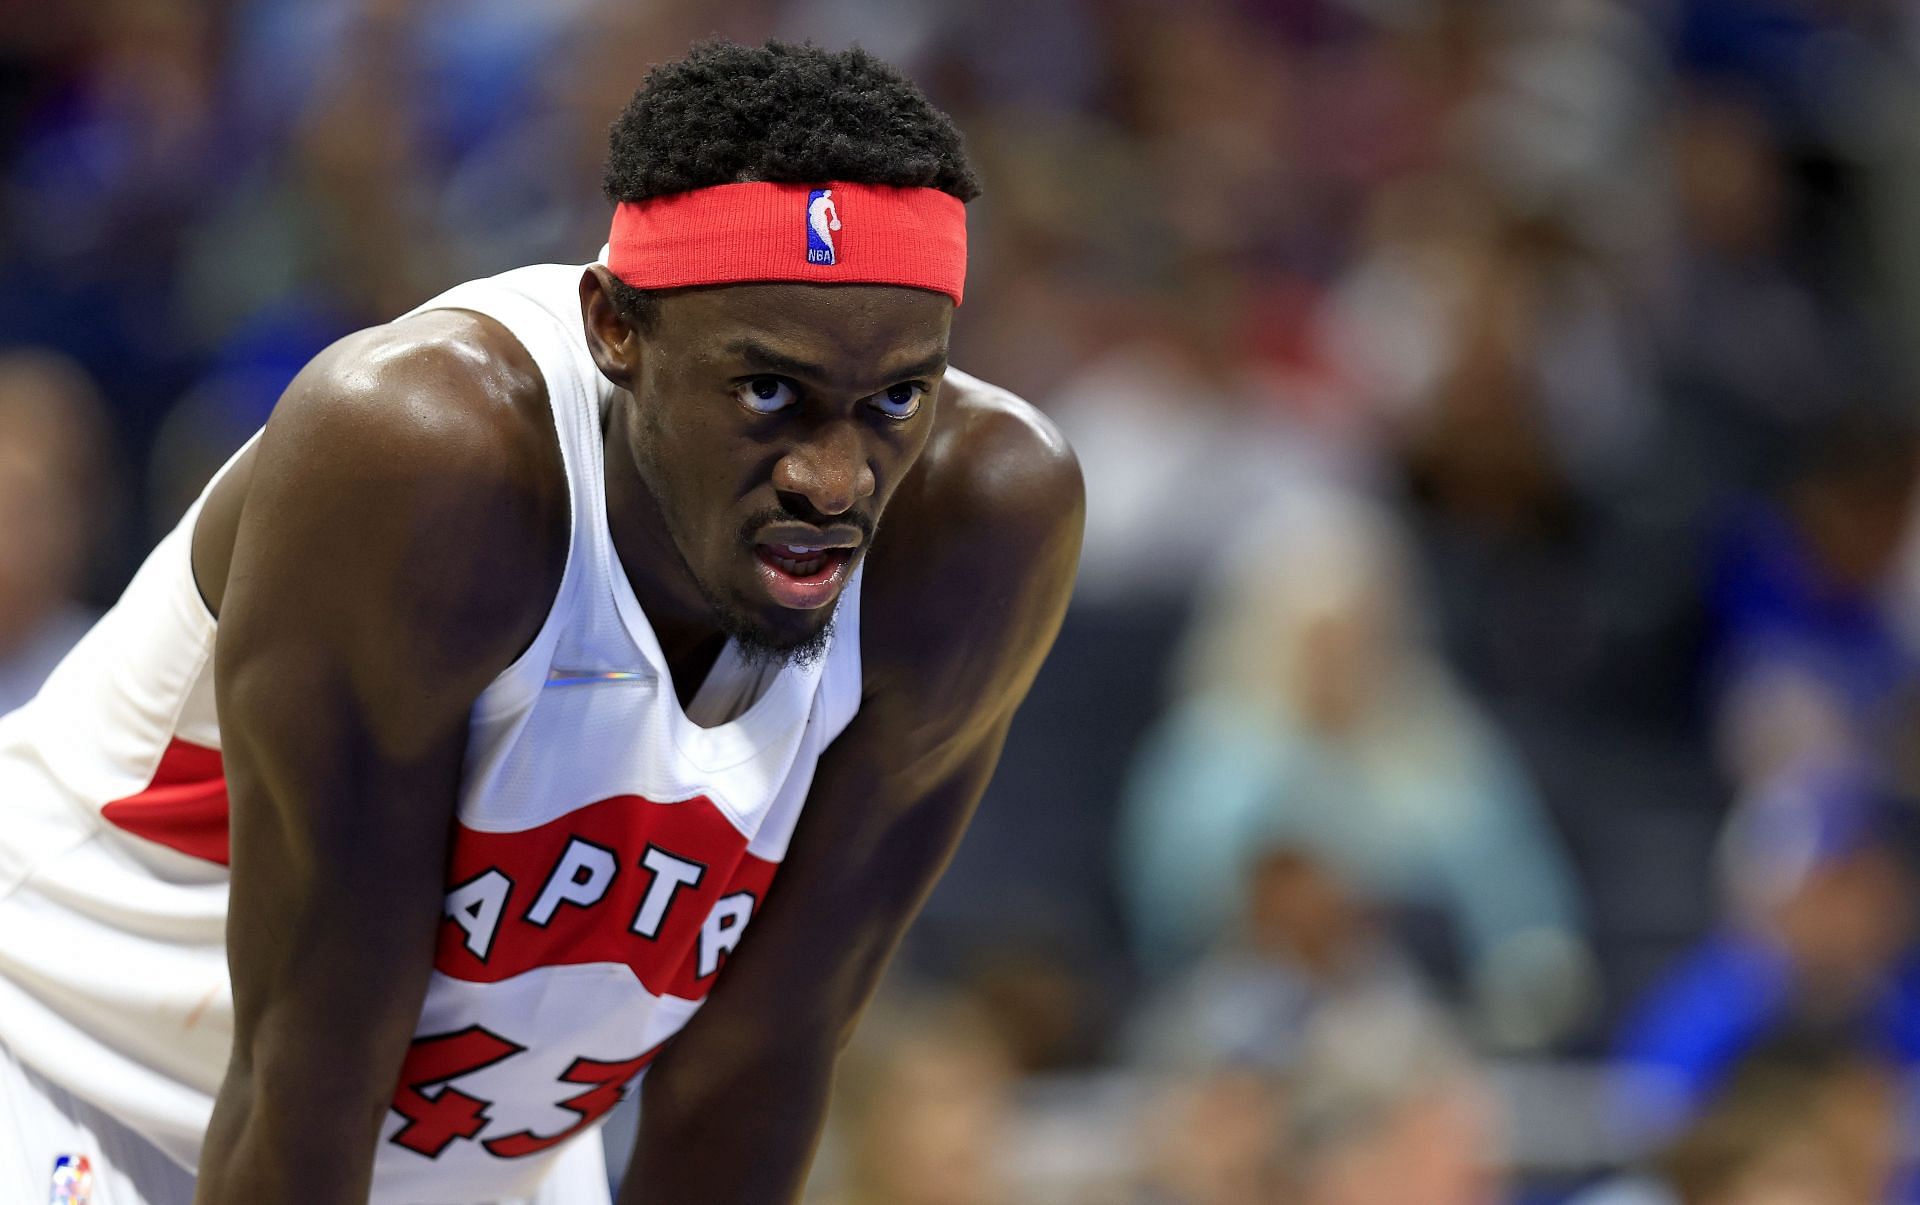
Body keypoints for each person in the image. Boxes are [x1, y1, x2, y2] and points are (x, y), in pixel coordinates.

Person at [0, 39, 1083, 1205]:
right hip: (75, 1073)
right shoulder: (429, 459)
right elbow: (300, 1073)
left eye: (895, 401)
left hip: (470, 1162)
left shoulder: (981, 522)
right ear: (616, 328)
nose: (835, 476)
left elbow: (762, 1054)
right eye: (770, 392)